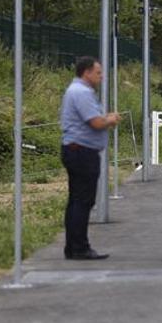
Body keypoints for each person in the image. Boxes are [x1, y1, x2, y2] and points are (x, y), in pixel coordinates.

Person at [60, 56, 121, 260]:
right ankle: (79, 247)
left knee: (77, 200)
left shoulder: (77, 91)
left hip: (77, 150)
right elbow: (95, 122)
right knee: (82, 201)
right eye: (98, 72)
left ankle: (73, 246)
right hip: (81, 152)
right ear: (86, 72)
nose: (101, 76)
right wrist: (110, 119)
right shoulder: (82, 93)